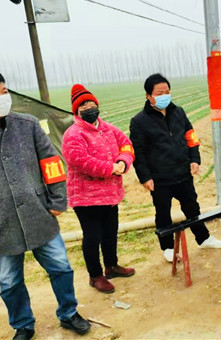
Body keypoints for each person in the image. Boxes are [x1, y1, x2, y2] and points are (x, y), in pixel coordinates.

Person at [0, 70, 90, 340]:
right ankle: (23, 325)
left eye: (4, 91)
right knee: (9, 282)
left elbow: (51, 163)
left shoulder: (28, 124)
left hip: (39, 213)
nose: (3, 98)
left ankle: (69, 312)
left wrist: (57, 200)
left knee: (61, 267)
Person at [129, 74, 221, 262]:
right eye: (159, 93)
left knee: (192, 207)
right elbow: (138, 153)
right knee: (163, 212)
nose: (164, 96)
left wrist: (194, 159)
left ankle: (203, 238)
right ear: (148, 96)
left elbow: (191, 136)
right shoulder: (139, 121)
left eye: (167, 92)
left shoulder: (178, 112)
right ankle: (167, 248)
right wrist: (145, 177)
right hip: (160, 178)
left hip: (183, 172)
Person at [62, 84, 135, 294]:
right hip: (86, 197)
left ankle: (111, 266)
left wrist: (123, 162)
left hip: (110, 194)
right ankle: (95, 276)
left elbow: (126, 145)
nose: (89, 108)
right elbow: (80, 161)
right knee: (93, 236)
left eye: (91, 103)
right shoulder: (73, 134)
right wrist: (111, 168)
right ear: (76, 111)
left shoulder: (109, 128)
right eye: (83, 105)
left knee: (110, 232)